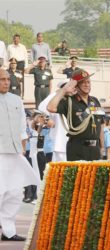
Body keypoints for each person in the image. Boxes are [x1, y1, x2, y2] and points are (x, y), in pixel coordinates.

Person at [0, 69, 40, 241]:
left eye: (8, 79)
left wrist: (23, 149)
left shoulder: (16, 100)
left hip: (15, 152)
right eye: (2, 79)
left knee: (15, 192)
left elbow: (22, 127)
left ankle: (8, 231)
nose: (6, 83)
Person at [47, 69, 105, 161]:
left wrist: (102, 147)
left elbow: (101, 125)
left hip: (95, 148)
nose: (87, 84)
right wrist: (64, 90)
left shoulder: (95, 101)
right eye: (83, 82)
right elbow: (51, 108)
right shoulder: (69, 101)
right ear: (76, 85)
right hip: (77, 148)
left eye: (88, 82)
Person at [38, 80, 69, 162]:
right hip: (59, 142)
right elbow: (41, 108)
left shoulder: (73, 100)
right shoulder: (54, 98)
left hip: (72, 143)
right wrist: (47, 119)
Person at [7, 34, 28, 98]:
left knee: (20, 80)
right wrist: (8, 65)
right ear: (13, 39)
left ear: (19, 39)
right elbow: (7, 56)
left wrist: (26, 66)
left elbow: (26, 57)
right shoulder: (9, 47)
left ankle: (21, 95)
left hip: (20, 64)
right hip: (12, 62)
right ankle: (9, 92)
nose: (16, 40)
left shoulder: (23, 47)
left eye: (17, 38)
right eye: (15, 38)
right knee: (11, 79)